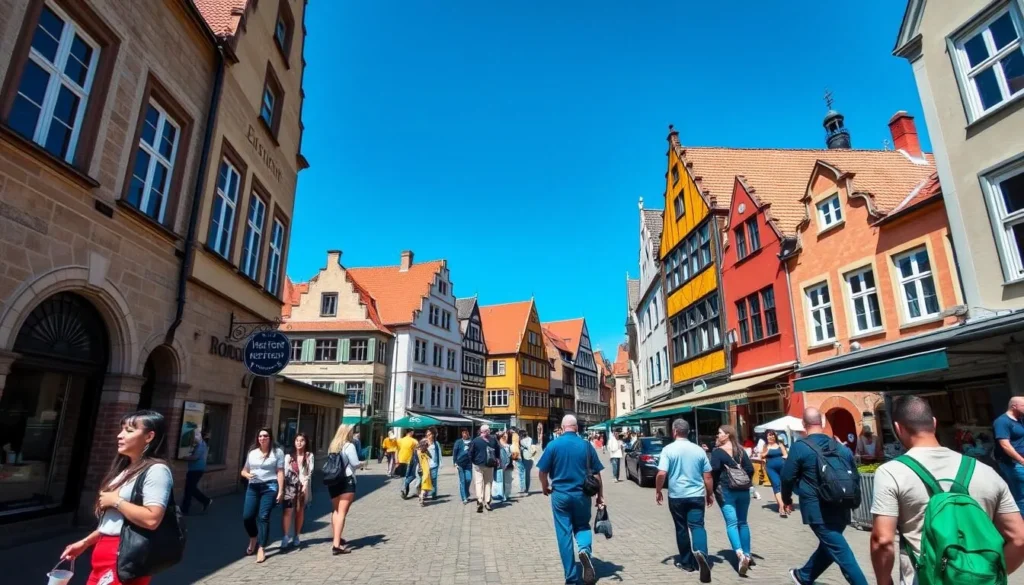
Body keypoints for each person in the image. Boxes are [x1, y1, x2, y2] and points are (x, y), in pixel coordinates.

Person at [870, 395, 1024, 585]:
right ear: (934, 423)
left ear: (897, 428)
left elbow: (883, 541)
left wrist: (884, 581)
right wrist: (986, 575)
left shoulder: (891, 472)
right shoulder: (986, 471)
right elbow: (1019, 538)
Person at [61, 411, 174, 585]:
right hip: (104, 554)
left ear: (149, 436)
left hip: (125, 556)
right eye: (121, 429)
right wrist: (85, 542)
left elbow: (152, 519)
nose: (120, 435)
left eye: (129, 430)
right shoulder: (126, 469)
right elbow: (114, 523)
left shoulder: (157, 470)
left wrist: (116, 501)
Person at [782, 408, 867, 585]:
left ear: (803, 424)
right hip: (842, 505)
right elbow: (855, 476)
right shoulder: (840, 447)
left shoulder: (799, 447)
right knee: (831, 546)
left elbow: (787, 477)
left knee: (841, 552)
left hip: (817, 509)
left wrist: (786, 500)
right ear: (821, 423)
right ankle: (804, 576)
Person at [538, 415, 604, 585]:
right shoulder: (586, 445)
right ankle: (584, 550)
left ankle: (571, 577)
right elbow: (597, 474)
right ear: (576, 428)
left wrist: (545, 487)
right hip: (582, 495)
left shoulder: (553, 445)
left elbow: (542, 472)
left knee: (564, 534)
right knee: (582, 526)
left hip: (560, 495)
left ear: (562, 428)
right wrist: (600, 496)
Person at [655, 418, 714, 582]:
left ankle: (687, 563)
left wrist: (658, 490)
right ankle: (701, 554)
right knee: (697, 526)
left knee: (681, 528)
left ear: (674, 431)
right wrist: (709, 493)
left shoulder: (668, 450)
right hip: (696, 495)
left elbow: (661, 473)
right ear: (687, 432)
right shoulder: (699, 450)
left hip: (677, 496)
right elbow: (708, 476)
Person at [710, 425, 755, 577]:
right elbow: (750, 469)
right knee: (743, 522)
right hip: (743, 490)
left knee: (732, 523)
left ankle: (740, 554)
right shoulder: (741, 450)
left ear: (727, 435)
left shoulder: (717, 452)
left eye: (720, 433)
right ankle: (747, 554)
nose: (718, 435)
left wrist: (711, 490)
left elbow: (714, 470)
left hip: (726, 491)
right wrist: (743, 480)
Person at [240, 427, 285, 564]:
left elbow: (280, 472)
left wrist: (281, 491)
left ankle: (261, 548)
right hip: (253, 487)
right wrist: (247, 475)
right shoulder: (252, 453)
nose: (262, 438)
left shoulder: (277, 452)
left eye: (265, 436)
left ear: (270, 437)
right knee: (247, 517)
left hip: (270, 487)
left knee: (263, 516)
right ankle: (253, 538)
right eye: (260, 436)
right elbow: (244, 470)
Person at [327, 424, 360, 555]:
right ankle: (336, 545)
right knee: (342, 513)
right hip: (347, 480)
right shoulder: (349, 446)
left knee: (335, 511)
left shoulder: (332, 446)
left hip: (333, 480)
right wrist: (363, 463)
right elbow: (355, 463)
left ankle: (336, 538)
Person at [281, 432, 314, 549]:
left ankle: (297, 536)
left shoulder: (309, 456)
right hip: (290, 486)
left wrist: (305, 485)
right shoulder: (288, 456)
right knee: (288, 511)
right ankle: (285, 536)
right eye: (297, 440)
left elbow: (309, 472)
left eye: (302, 440)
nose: (299, 443)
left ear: (306, 442)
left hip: (303, 486)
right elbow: (285, 472)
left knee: (300, 511)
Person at [994, 396, 1024, 517]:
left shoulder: (1019, 420)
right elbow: (1005, 445)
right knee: (1021, 495)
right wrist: (1021, 460)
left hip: (1019, 462)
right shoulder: (1002, 422)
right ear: (1014, 406)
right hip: (1013, 463)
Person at [469, 424, 500, 513]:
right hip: (490, 464)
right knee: (488, 483)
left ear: (481, 431)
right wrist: (497, 460)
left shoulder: (475, 440)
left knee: (478, 482)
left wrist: (473, 461)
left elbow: (470, 453)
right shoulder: (493, 440)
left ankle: (479, 500)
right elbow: (497, 451)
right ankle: (487, 501)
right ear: (487, 431)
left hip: (478, 464)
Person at [181, 429, 211, 515]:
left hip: (196, 469)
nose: (193, 437)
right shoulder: (199, 444)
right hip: (194, 469)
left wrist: (184, 458)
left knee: (189, 489)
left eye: (195, 435)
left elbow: (195, 457)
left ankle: (186, 508)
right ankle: (205, 501)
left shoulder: (201, 445)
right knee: (190, 488)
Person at [761, 430, 789, 518]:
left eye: (772, 435)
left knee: (784, 486)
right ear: (766, 437)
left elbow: (786, 455)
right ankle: (781, 507)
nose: (771, 437)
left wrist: (785, 459)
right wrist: (767, 451)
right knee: (776, 485)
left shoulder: (780, 444)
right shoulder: (765, 446)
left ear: (775, 436)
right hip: (771, 469)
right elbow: (762, 456)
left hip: (783, 467)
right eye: (769, 435)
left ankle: (785, 503)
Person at [453, 429, 475, 503]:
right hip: (460, 464)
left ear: (468, 433)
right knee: (462, 481)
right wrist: (455, 462)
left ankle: (466, 493)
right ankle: (464, 498)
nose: (465, 434)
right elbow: (455, 452)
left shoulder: (472, 441)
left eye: (466, 433)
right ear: (461, 434)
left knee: (468, 479)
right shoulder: (458, 442)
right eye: (463, 433)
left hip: (469, 463)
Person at [396, 428, 418, 497]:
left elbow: (397, 450)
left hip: (401, 460)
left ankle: (405, 493)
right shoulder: (414, 441)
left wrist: (396, 459)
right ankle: (404, 489)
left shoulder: (400, 440)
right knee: (412, 475)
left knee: (404, 477)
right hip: (409, 460)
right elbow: (417, 451)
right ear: (411, 432)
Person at [494, 431, 512, 502]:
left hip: (507, 465)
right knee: (500, 481)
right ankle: (501, 495)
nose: (506, 437)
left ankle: (505, 495)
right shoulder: (498, 446)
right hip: (501, 466)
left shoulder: (507, 445)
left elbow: (509, 456)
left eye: (506, 436)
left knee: (506, 481)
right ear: (501, 437)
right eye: (504, 436)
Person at [424, 427, 442, 500]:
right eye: (427, 434)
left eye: (430, 434)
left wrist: (440, 463)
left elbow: (439, 453)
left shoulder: (436, 443)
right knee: (426, 480)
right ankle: (424, 494)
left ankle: (434, 494)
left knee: (434, 480)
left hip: (434, 465)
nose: (429, 436)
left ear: (433, 435)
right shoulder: (424, 443)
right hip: (425, 465)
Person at [416, 438, 434, 506]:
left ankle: (421, 496)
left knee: (423, 485)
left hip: (422, 470)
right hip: (425, 471)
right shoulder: (424, 453)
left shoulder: (418, 452)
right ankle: (421, 496)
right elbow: (431, 457)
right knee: (424, 486)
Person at [518, 429, 536, 495]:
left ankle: (525, 489)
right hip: (531, 458)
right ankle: (526, 489)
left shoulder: (522, 441)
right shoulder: (531, 439)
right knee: (527, 474)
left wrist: (521, 446)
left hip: (526, 458)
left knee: (525, 474)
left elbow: (527, 446)